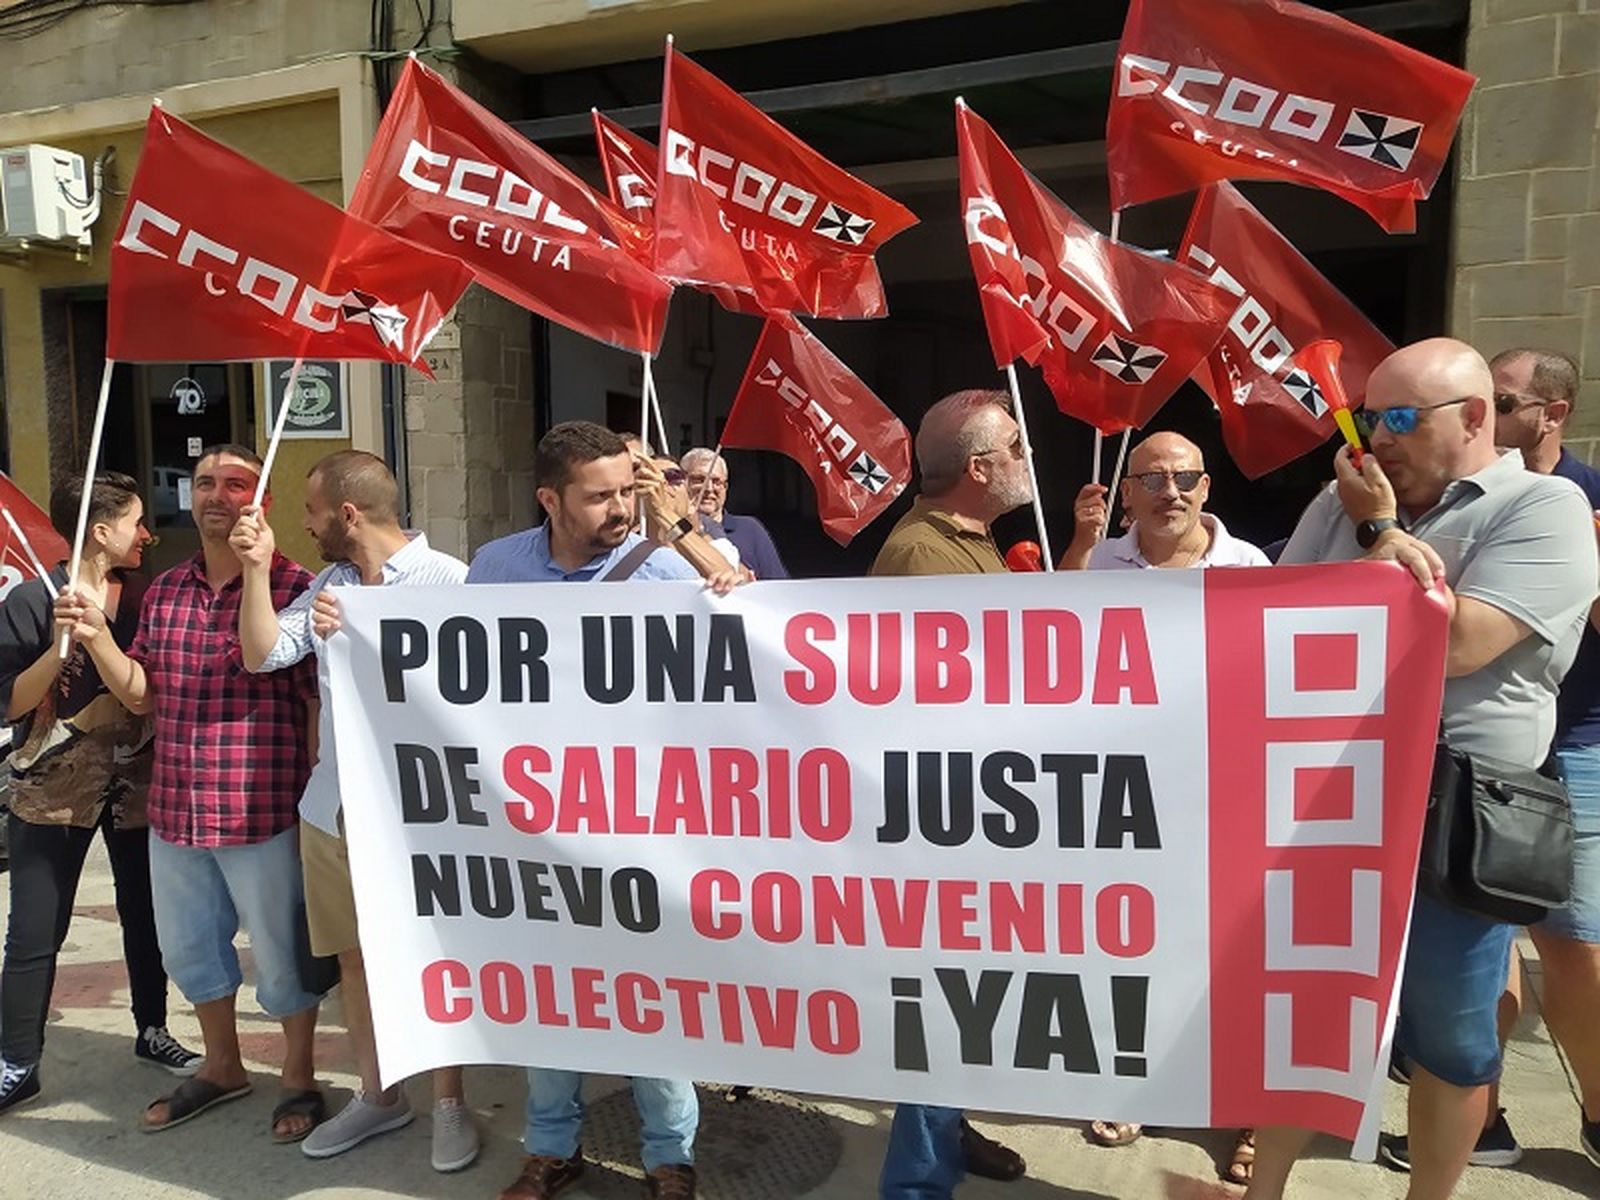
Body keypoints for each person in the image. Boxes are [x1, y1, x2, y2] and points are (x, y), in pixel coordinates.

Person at [1245, 339, 1599, 1200]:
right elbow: (1274, 625)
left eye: (1399, 419)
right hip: (1335, 793)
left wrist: (1376, 534)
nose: (1377, 440)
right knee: (1312, 1015)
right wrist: (1365, 527)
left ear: (1476, 418)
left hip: (1463, 809)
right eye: (1369, 419)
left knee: (1450, 1033)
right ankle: (1262, 1192)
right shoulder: (1343, 500)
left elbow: (1459, 643)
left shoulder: (1543, 506)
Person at [476, 422, 739, 1200]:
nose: (620, 508)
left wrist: (716, 572)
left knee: (646, 995)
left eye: (629, 491)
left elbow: (752, 624)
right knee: (550, 997)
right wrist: (346, 630)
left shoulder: (664, 566)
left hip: (642, 828)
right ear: (549, 500)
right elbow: (441, 666)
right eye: (601, 497)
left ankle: (670, 1157)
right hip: (536, 826)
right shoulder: (495, 569)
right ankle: (552, 1146)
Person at [56, 445, 326, 1141]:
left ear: (258, 497)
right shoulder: (168, 588)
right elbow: (144, 695)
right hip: (176, 806)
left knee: (283, 952)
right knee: (191, 951)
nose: (216, 495)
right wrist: (94, 638)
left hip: (264, 806)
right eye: (204, 482)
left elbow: (312, 702)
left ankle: (298, 1078)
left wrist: (318, 804)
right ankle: (224, 1065)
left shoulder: (299, 584)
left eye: (234, 483)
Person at [230, 450, 479, 1171]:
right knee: (357, 959)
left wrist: (378, 634)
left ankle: (450, 1102)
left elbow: (475, 696)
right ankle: (379, 1095)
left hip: (423, 813)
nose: (304, 527)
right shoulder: (330, 584)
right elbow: (264, 653)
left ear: (347, 515)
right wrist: (256, 571)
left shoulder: (450, 581)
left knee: (434, 954)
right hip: (334, 808)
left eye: (310, 513)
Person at [1064, 432, 1264, 1183]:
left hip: (1225, 786)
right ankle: (1137, 1081)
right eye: (1151, 478)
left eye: (1183, 477)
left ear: (1206, 487)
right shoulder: (1103, 558)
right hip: (1127, 789)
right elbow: (1057, 645)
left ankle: (1246, 1107)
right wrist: (1081, 546)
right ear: (1127, 493)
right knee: (1135, 939)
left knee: (1234, 944)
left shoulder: (1249, 566)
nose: (1169, 491)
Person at [871, 389, 1030, 1198]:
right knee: (941, 1018)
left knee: (965, 1017)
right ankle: (915, 1185)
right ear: (978, 468)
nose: (1025, 461)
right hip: (945, 827)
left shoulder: (971, 541)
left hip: (976, 816)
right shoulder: (922, 557)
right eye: (1015, 449)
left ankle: (950, 1135)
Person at [0, 472, 200, 1115]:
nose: (148, 534)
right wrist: (59, 649)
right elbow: (11, 701)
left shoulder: (146, 596)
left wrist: (100, 636)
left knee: (145, 913)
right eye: (137, 522)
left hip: (137, 778)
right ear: (100, 529)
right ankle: (16, 1061)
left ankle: (152, 1027)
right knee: (36, 927)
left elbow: (148, 692)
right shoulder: (33, 602)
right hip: (50, 786)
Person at [1465, 347, 1600, 1172]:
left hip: (1576, 746)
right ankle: (1480, 1119)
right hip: (1486, 750)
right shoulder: (1472, 498)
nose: (1488, 416)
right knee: (1479, 938)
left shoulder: (1589, 498)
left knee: (1572, 943)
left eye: (1504, 401)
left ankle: (1596, 1112)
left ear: (1552, 414)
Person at [681, 448, 789, 579]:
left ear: (725, 487)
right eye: (699, 480)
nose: (709, 489)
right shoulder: (671, 531)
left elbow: (778, 584)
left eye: (716, 482)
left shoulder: (750, 529)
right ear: (682, 483)